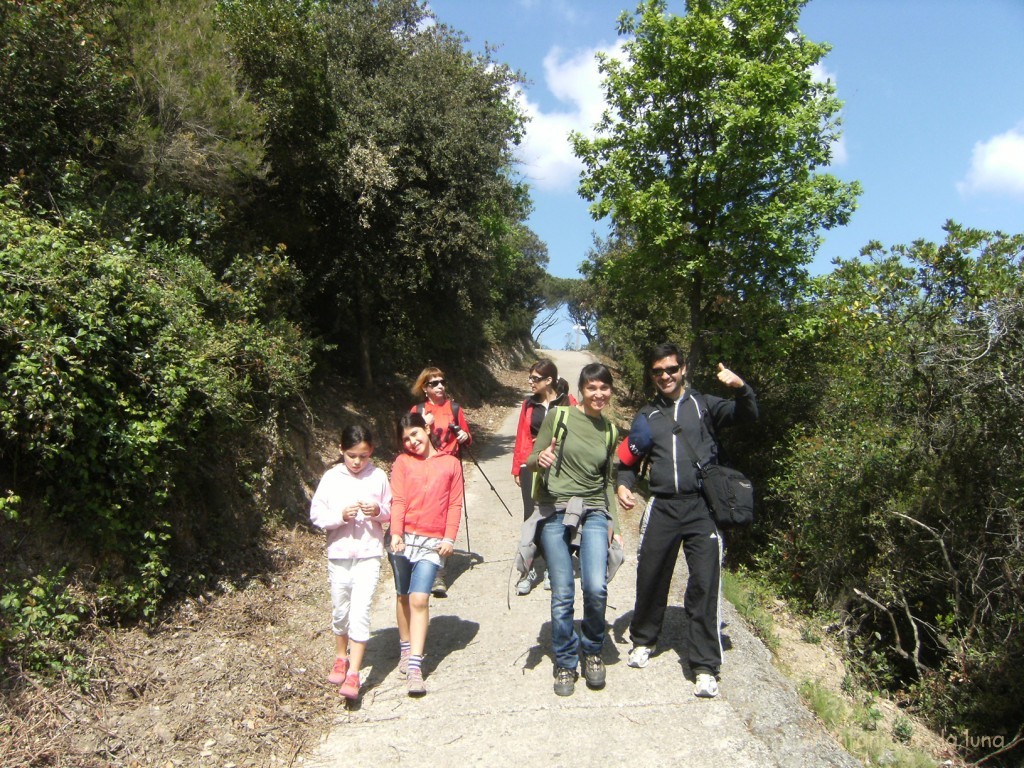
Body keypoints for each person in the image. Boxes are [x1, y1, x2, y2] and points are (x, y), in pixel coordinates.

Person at [616, 342, 758, 699]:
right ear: (651, 375)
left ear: (683, 370)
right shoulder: (647, 415)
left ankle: (705, 666)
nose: (665, 375)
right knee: (650, 576)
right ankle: (644, 640)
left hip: (700, 508)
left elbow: (748, 416)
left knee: (705, 584)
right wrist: (622, 484)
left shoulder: (704, 405)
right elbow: (629, 457)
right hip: (662, 506)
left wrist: (741, 388)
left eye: (671, 369)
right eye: (658, 371)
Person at [527, 363, 621, 697]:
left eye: (604, 388)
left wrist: (615, 524)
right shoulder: (560, 417)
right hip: (556, 510)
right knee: (563, 591)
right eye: (592, 388)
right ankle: (566, 660)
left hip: (594, 511)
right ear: (581, 389)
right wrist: (542, 459)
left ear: (610, 391)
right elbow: (531, 458)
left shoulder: (610, 430)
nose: (599, 394)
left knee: (596, 587)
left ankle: (592, 648)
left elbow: (608, 481)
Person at [309, 424, 392, 701]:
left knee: (361, 612)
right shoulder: (331, 478)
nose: (357, 462)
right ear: (341, 451)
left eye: (364, 456)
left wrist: (378, 511)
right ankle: (339, 657)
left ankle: (354, 673)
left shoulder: (378, 476)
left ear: (372, 454)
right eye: (352, 455)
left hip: (369, 553)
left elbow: (391, 511)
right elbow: (317, 515)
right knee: (340, 610)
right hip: (340, 554)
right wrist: (340, 516)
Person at [389, 412, 464, 696]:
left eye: (415, 434)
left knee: (420, 598)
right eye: (406, 438)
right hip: (403, 538)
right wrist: (396, 532)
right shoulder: (402, 463)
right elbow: (398, 499)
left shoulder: (451, 463)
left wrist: (449, 538)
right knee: (403, 595)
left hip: (432, 542)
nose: (412, 442)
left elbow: (455, 504)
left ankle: (416, 666)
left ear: (427, 428)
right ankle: (405, 648)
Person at [511, 359, 576, 595]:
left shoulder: (569, 403)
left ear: (549, 380)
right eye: (530, 378)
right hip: (532, 466)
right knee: (531, 518)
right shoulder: (528, 405)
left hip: (561, 469)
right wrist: (517, 467)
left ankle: (552, 567)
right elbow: (521, 436)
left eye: (535, 378)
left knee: (558, 516)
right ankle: (527, 571)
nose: (530, 382)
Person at [409, 366, 472, 597]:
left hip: (450, 467)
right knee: (426, 516)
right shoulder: (417, 410)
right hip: (424, 470)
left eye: (442, 381)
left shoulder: (454, 408)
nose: (440, 386)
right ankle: (422, 562)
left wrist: (465, 436)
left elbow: (466, 438)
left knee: (445, 518)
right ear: (425, 388)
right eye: (434, 383)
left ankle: (438, 575)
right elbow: (408, 440)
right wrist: (422, 424)